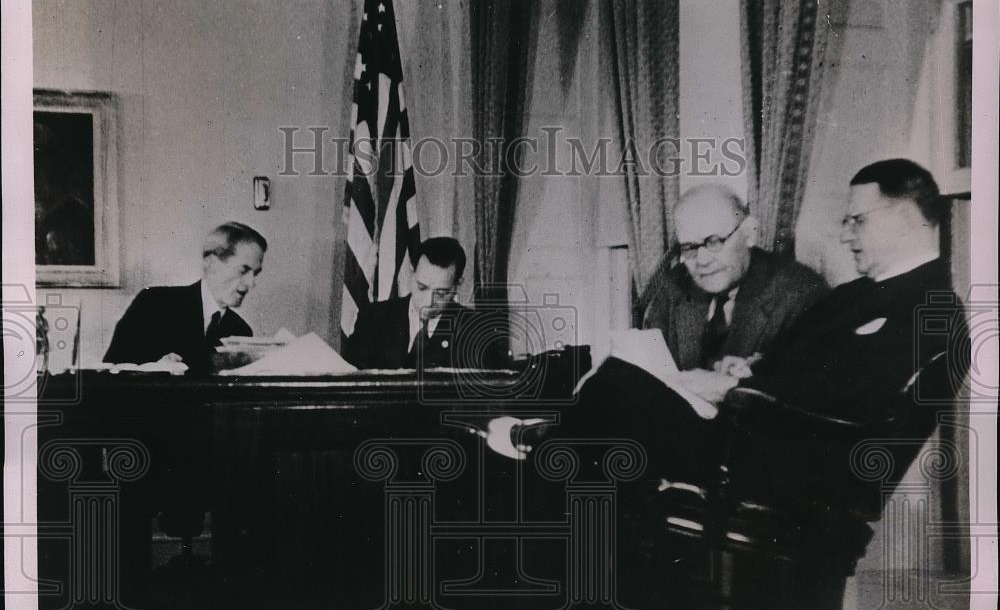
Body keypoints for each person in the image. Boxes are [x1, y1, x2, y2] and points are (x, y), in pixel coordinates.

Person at [489, 159, 967, 473]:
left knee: (619, 390)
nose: (845, 235)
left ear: (907, 217)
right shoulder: (860, 296)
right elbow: (816, 369)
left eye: (857, 219)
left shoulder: (930, 307)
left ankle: (539, 458)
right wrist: (752, 368)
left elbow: (856, 401)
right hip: (758, 439)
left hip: (777, 459)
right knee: (608, 422)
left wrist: (740, 387)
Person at [642, 184, 828, 378]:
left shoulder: (801, 293)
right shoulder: (674, 285)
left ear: (749, 233)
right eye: (689, 248)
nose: (702, 260)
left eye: (714, 242)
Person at [104, 222, 267, 373]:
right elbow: (111, 371)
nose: (251, 283)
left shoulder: (240, 331)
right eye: (243, 270)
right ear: (211, 263)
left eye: (255, 274)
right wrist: (154, 370)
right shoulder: (154, 303)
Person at [343, 236, 506, 370]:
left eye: (441, 293)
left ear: (458, 285)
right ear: (412, 273)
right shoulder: (373, 318)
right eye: (422, 287)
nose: (429, 302)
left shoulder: (477, 332)